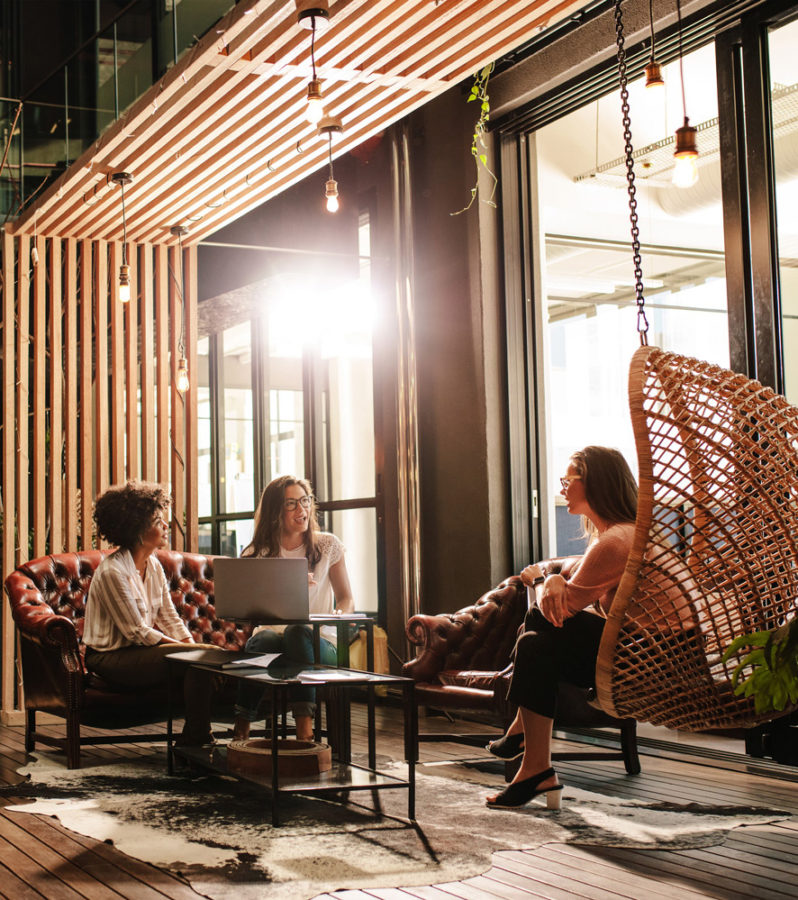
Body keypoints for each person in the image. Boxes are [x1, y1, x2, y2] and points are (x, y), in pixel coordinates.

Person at [486, 446, 638, 810]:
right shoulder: (622, 535)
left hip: (645, 661)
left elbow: (556, 611)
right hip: (643, 649)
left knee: (539, 629)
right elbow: (565, 595)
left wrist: (543, 578)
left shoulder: (616, 542)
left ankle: (530, 752)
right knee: (536, 644)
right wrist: (554, 580)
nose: (563, 488)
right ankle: (534, 765)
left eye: (569, 480)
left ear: (596, 484)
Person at [83, 481, 219, 747]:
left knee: (201, 661)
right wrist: (192, 650)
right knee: (200, 658)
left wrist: (194, 647)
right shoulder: (113, 571)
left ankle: (195, 739)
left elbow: (169, 617)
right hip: (109, 658)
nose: (165, 526)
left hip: (139, 653)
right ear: (138, 531)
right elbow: (137, 631)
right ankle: (197, 741)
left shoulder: (153, 565)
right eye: (158, 521)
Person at [232, 475, 355, 742]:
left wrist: (339, 614)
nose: (302, 510)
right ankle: (242, 724)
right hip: (273, 638)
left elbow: (346, 599)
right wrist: (284, 586)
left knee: (299, 632)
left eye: (305, 501)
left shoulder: (327, 545)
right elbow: (248, 611)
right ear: (276, 511)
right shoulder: (258, 552)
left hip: (319, 641)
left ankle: (304, 730)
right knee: (262, 638)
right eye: (291, 504)